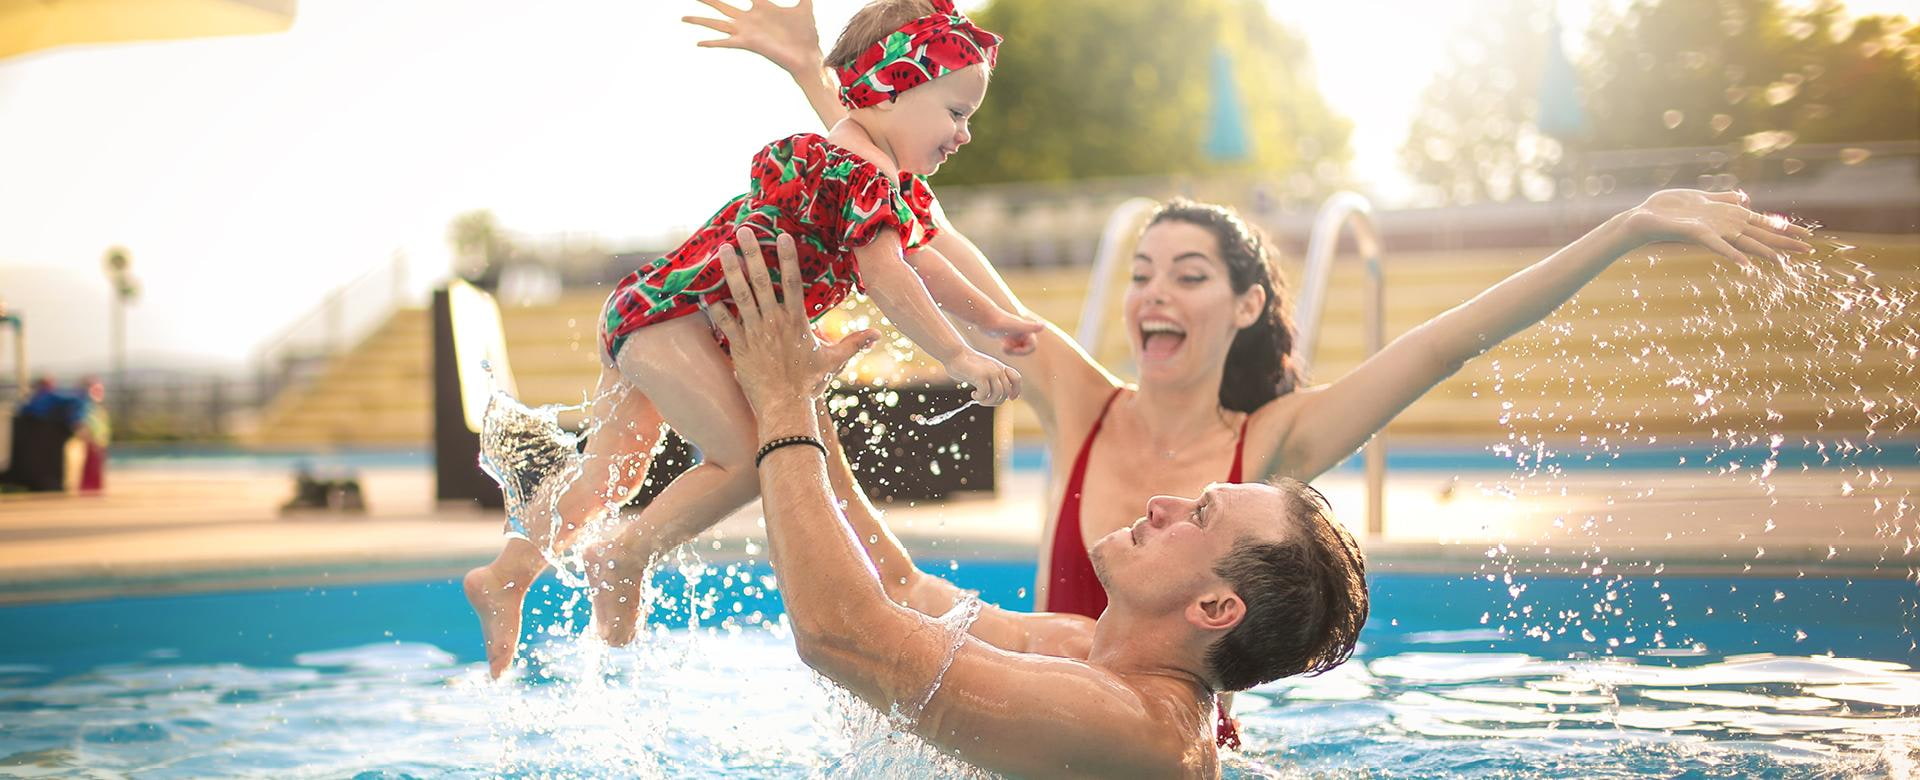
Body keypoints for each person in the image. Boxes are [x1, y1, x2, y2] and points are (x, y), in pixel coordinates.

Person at [684, 0, 1817, 744]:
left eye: (1187, 275)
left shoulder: (1270, 457)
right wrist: (825, 96)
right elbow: (919, 236)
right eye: (1141, 274)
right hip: (1056, 703)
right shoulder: (1082, 406)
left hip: (1105, 724)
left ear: (1249, 304)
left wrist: (1624, 228)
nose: (1153, 299)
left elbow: (1445, 342)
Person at [463, 0, 1046, 678]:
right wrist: (957, 353)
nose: (964, 135)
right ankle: (621, 558)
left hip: (653, 311)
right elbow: (890, 276)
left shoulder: (876, 176)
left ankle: (508, 572)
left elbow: (925, 261)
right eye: (956, 113)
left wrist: (995, 323)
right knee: (748, 460)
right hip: (678, 323)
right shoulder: (858, 173)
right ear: (893, 88)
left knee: (612, 472)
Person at [709, 231, 1369, 778]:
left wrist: (782, 403)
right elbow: (900, 590)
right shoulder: (1086, 650)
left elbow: (840, 636)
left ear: (1216, 609)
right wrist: (803, 390)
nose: (1164, 505)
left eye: (1199, 516)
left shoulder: (1125, 725)